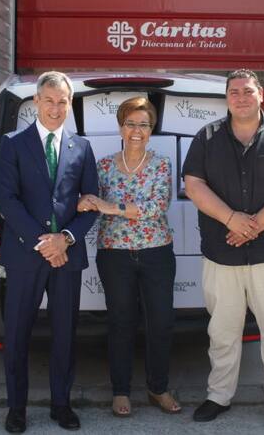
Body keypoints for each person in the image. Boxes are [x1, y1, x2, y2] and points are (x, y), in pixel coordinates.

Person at [182, 69, 264, 428]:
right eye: (234, 92)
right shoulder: (206, 137)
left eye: (248, 91)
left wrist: (251, 226)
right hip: (222, 254)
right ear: (227, 98)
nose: (241, 97)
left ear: (261, 95)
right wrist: (231, 219)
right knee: (222, 332)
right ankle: (218, 395)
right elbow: (194, 185)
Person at [0, 71, 99, 433]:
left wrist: (65, 239)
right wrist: (45, 242)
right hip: (26, 255)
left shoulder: (82, 148)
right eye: (49, 100)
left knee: (64, 334)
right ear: (37, 101)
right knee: (17, 334)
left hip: (67, 257)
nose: (55, 108)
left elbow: (90, 203)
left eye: (62, 101)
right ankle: (16, 408)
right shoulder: (13, 143)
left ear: (69, 104)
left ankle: (61, 404)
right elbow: (7, 200)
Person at [77, 97, 180, 418]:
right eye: (131, 123)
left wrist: (111, 207)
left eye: (144, 125)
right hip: (115, 255)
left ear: (151, 129)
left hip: (156, 253)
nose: (137, 130)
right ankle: (120, 390)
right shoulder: (104, 166)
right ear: (121, 127)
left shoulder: (162, 164)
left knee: (160, 322)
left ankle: (158, 388)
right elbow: (88, 202)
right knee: (121, 322)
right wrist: (86, 202)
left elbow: (156, 208)